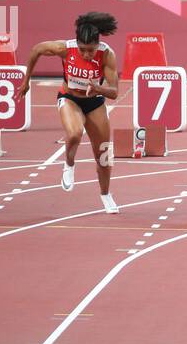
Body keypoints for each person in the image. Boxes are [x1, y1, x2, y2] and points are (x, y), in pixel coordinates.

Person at [17, 12, 121, 213]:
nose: (86, 55)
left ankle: (106, 195)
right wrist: (26, 80)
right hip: (70, 98)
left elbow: (115, 92)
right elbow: (36, 49)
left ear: (98, 45)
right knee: (74, 133)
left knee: (104, 156)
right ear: (77, 44)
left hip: (95, 101)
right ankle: (69, 164)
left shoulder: (107, 54)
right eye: (82, 50)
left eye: (90, 50)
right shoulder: (65, 48)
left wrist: (99, 89)